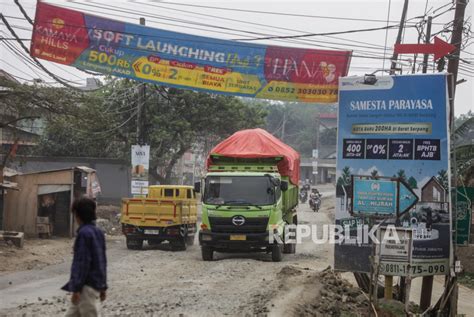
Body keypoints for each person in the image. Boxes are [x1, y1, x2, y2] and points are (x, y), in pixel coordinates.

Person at [62, 197, 107, 317]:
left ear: (77, 215)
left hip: (85, 288)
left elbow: (82, 263)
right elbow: (102, 262)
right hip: (94, 285)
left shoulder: (83, 234)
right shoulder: (99, 233)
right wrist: (103, 286)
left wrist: (76, 288)